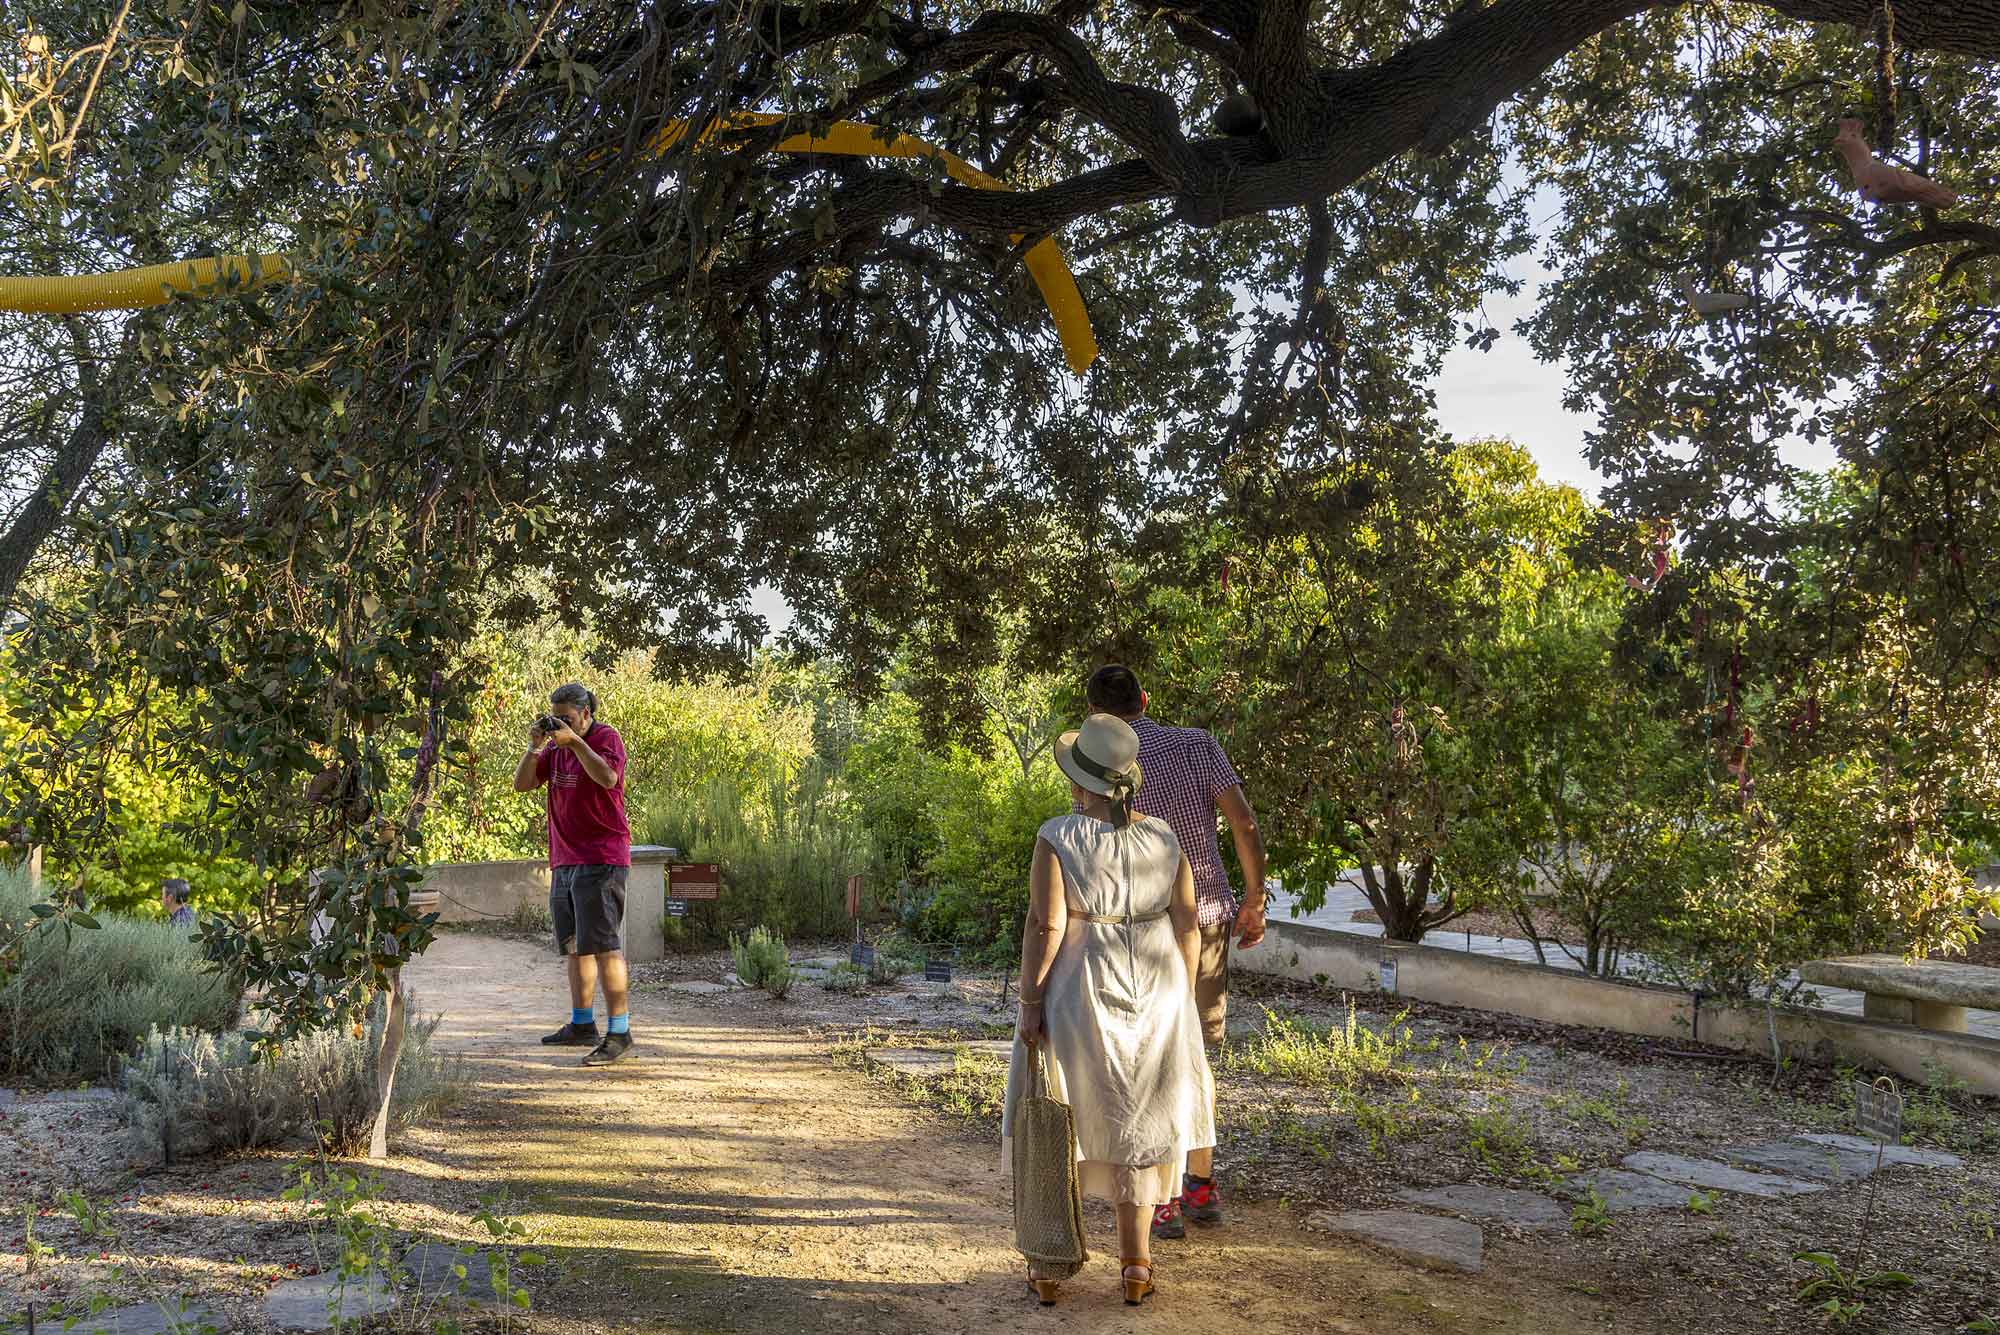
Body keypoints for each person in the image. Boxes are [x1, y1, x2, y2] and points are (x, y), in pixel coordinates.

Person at [1003, 712, 1214, 1308]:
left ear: (1081, 782)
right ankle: (1136, 1266)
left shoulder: (1058, 836)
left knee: (1058, 1113)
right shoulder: (1165, 837)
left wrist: (1029, 1002)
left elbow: (1045, 926)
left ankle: (1048, 1264)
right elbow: (1188, 923)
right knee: (1139, 1123)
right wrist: (1185, 998)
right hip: (1159, 984)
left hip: (1082, 987)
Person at [1084, 664, 1268, 1240]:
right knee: (1193, 1053)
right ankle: (1200, 1187)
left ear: (1098, 716)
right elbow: (1243, 822)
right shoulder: (1197, 745)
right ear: (1145, 698)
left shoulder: (1105, 762)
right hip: (1206, 920)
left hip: (1133, 926)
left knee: (1142, 1059)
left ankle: (1156, 1198)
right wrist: (1255, 900)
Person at [513, 682, 634, 1067]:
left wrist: (575, 743)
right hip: (565, 858)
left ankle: (620, 1031)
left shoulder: (604, 737)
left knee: (603, 946)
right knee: (573, 945)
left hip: (601, 857)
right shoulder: (553, 748)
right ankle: (582, 1024)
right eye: (554, 718)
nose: (558, 726)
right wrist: (535, 746)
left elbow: (608, 778)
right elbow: (523, 785)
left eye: (565, 718)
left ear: (585, 713)